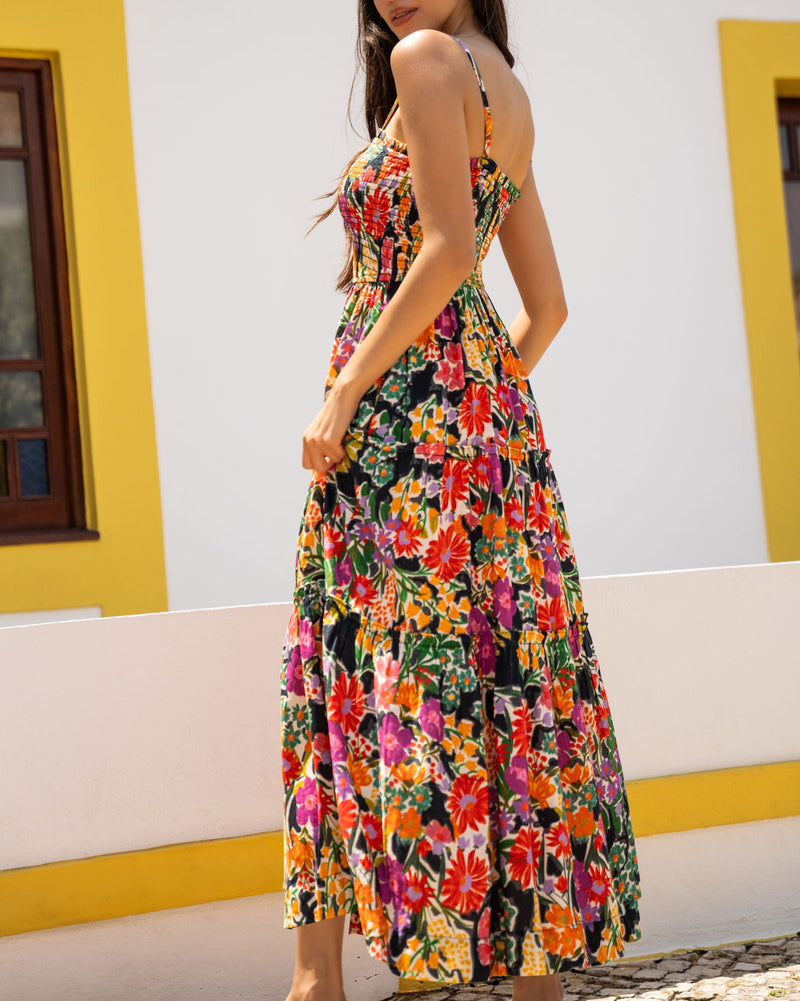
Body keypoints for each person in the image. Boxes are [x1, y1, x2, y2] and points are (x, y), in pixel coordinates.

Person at [279, 2, 642, 999]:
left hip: (397, 422)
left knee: (354, 660)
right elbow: (546, 305)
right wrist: (478, 406)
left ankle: (317, 983)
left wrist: (355, 392)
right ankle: (528, 976)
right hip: (477, 429)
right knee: (501, 675)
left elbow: (442, 246)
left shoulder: (428, 57)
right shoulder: (505, 88)